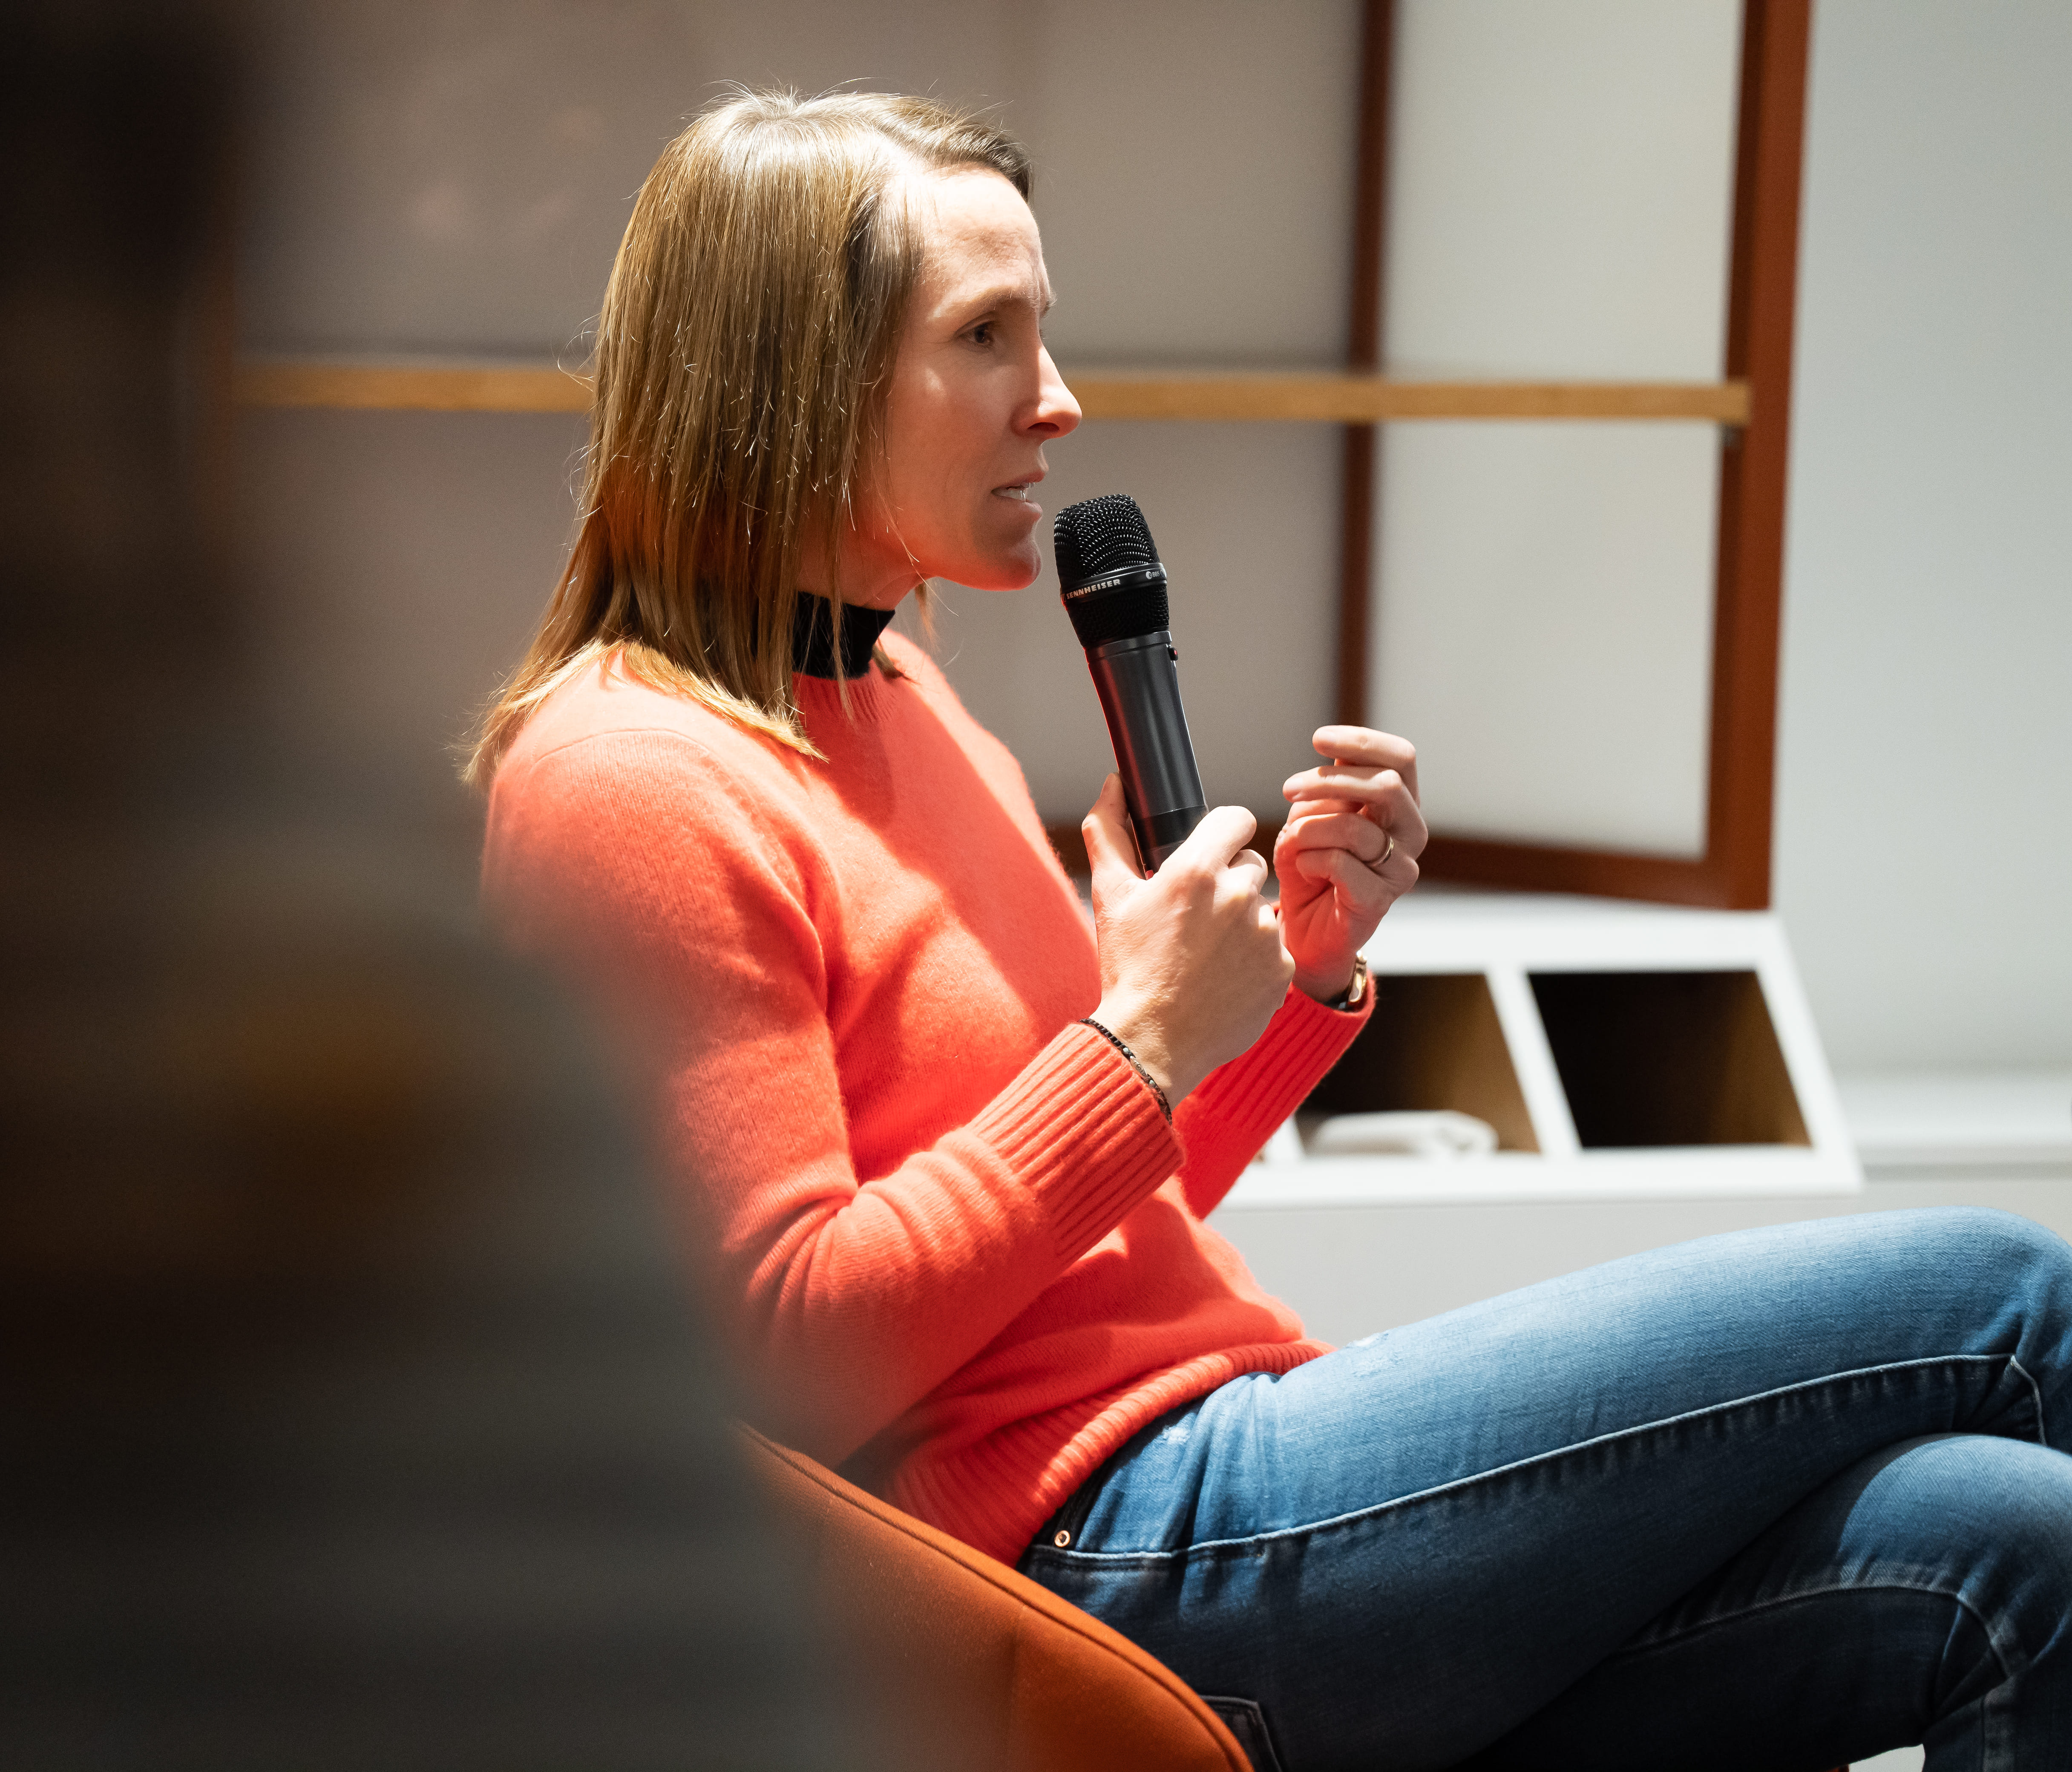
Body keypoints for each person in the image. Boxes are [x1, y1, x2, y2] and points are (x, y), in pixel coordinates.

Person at [475, 90, 2072, 1772]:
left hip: (1220, 1463)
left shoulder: (899, 693)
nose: (1056, 398)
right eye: (985, 335)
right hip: (1088, 1548)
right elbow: (771, 1362)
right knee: (2006, 1294)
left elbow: (1090, 1217)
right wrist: (1141, 1033)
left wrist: (1284, 979)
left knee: (2016, 1545)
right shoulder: (630, 779)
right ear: (794, 378)